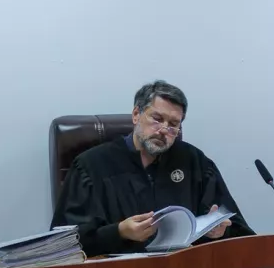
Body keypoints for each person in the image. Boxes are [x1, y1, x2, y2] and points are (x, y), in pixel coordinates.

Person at [53, 81, 254, 256]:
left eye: (173, 124)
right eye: (157, 119)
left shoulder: (195, 162)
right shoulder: (91, 166)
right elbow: (63, 244)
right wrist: (119, 232)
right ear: (136, 115)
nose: (164, 130)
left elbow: (239, 232)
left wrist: (219, 231)